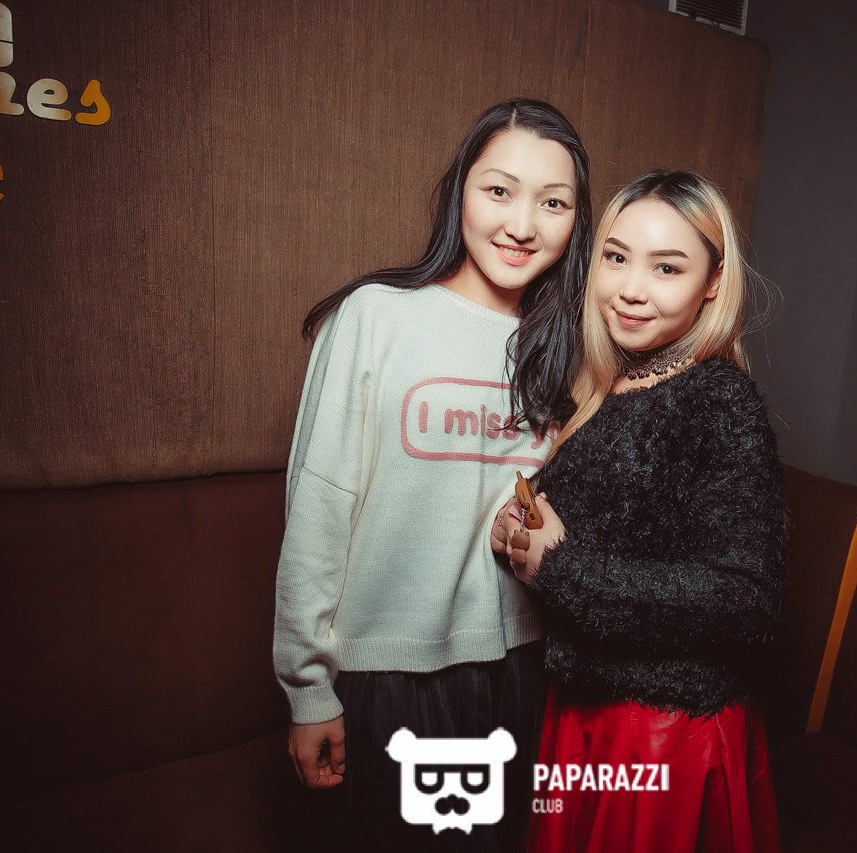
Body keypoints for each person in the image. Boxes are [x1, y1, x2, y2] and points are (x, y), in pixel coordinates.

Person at [274, 99, 592, 851]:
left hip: (520, 667)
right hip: (384, 670)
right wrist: (308, 688)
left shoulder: (569, 348)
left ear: (577, 222)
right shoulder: (376, 316)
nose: (522, 224)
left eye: (553, 203)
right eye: (499, 190)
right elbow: (319, 504)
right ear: (460, 191)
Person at [492, 170, 786, 852]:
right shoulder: (612, 382)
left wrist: (558, 564)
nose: (630, 288)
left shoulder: (718, 399)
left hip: (662, 733)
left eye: (667, 267)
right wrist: (522, 532)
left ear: (713, 282)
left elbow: (748, 600)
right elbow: (610, 533)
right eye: (617, 257)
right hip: (586, 711)